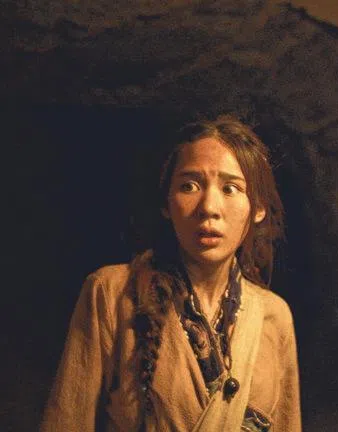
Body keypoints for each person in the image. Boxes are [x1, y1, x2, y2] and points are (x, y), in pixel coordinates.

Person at [42, 116, 301, 431]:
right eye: (189, 186)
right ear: (167, 202)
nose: (209, 207)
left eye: (230, 188)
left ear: (257, 207)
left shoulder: (274, 316)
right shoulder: (111, 294)